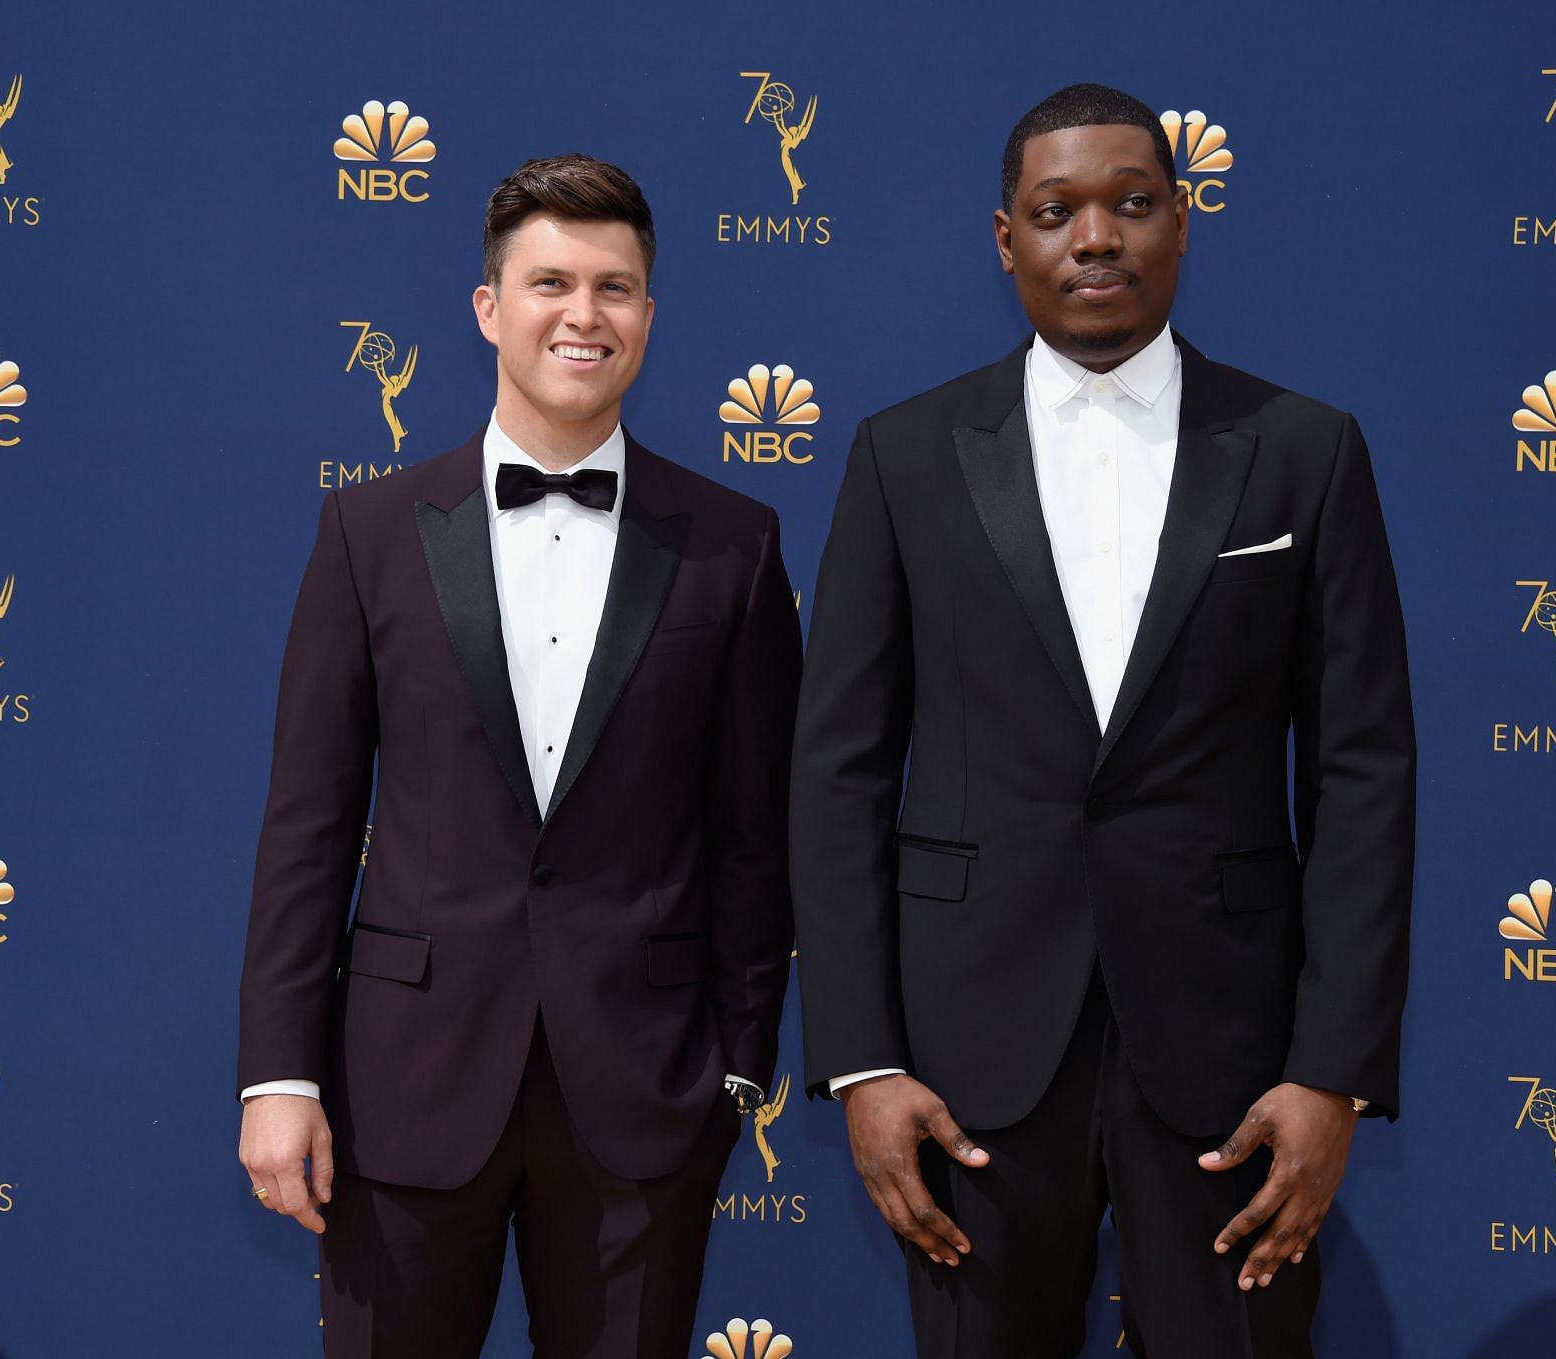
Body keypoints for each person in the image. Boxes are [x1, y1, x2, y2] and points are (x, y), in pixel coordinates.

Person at [790, 84, 1415, 1358]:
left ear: (1184, 226)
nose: (1097, 238)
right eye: (1056, 210)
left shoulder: (1305, 451)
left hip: (1233, 1047)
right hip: (967, 1053)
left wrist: (1332, 1066)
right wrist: (861, 1061)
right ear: (1006, 239)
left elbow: (1362, 774)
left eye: (1133, 205)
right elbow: (838, 772)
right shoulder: (901, 455)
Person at [236, 154, 803, 1358]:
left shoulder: (734, 545)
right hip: (403, 1087)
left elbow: (758, 833)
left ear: (650, 314)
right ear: (491, 307)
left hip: (646, 1098)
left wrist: (740, 1066)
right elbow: (307, 826)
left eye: (616, 286)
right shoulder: (370, 530)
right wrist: (279, 1076)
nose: (583, 315)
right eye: (551, 282)